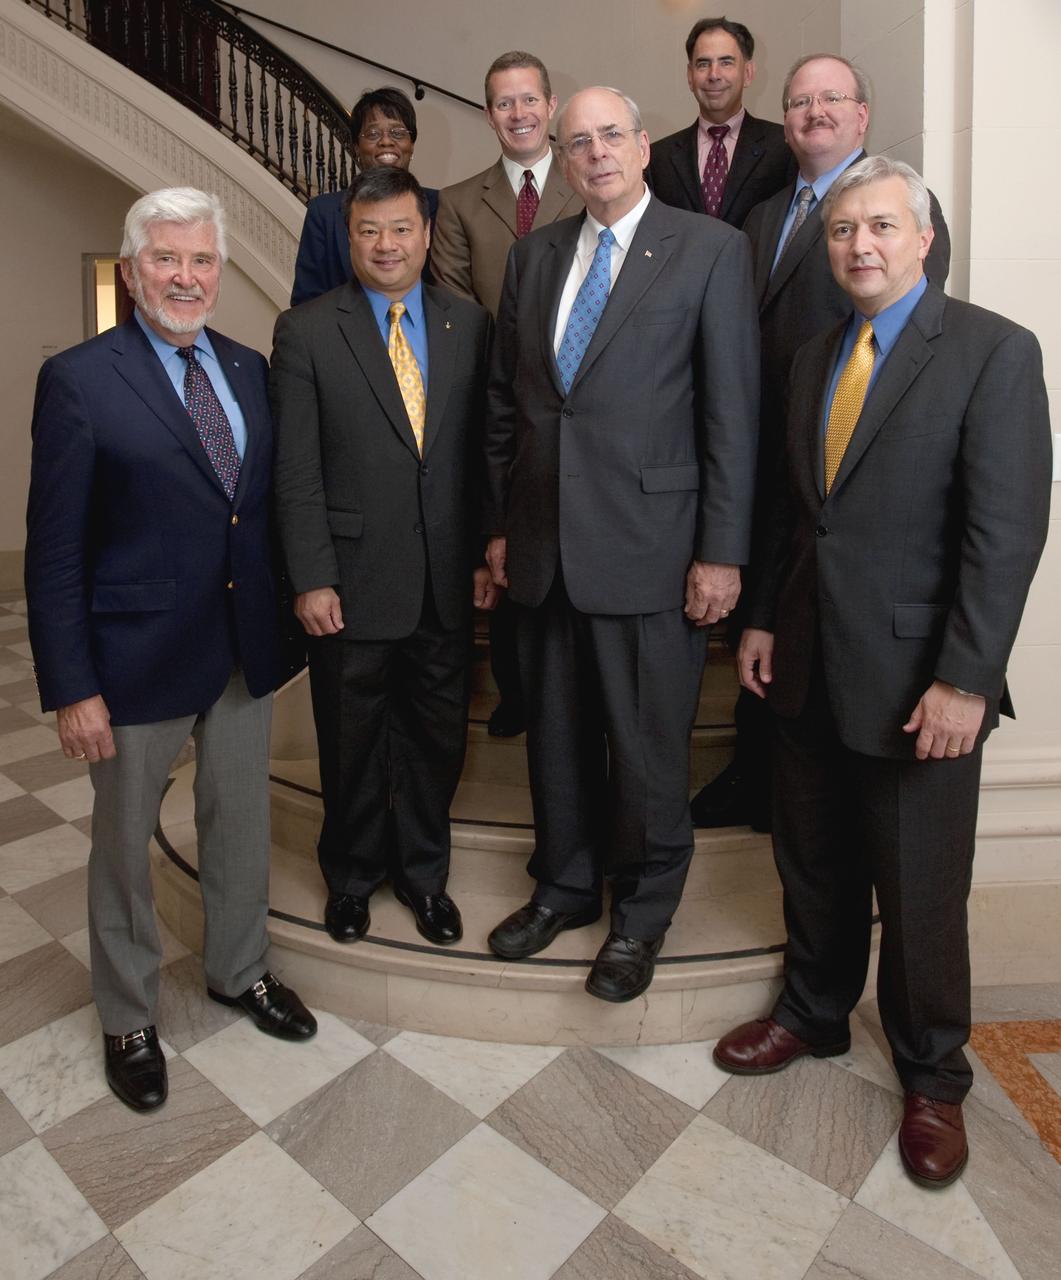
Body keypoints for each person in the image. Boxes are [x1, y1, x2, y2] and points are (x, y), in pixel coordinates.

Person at [713, 156, 1051, 1189]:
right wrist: (764, 618)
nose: (857, 245)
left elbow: (1004, 534)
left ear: (922, 238)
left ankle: (930, 1074)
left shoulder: (991, 351)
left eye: (879, 227)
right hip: (807, 660)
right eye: (841, 231)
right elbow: (791, 509)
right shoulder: (815, 353)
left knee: (916, 892)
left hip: (920, 682)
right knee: (811, 860)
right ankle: (812, 1013)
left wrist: (964, 677)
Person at [25, 187, 317, 1114]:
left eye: (200, 262)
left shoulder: (246, 366)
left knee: (238, 822)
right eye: (165, 259)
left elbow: (256, 508)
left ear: (220, 274)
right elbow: (56, 548)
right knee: (122, 845)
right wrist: (73, 685)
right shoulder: (78, 378)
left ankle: (239, 970)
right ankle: (127, 1015)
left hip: (239, 648)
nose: (184, 277)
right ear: (131, 269)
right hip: (132, 657)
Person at [484, 87, 759, 1002]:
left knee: (645, 751)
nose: (595, 152)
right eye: (577, 141)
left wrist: (721, 552)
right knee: (555, 739)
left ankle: (641, 916)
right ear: (560, 159)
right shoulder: (533, 257)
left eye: (611, 135)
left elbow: (730, 415)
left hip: (653, 547)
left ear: (645, 147)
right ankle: (563, 886)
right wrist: (498, 528)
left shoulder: (710, 250)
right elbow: (509, 405)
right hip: (543, 548)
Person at [691, 52, 951, 832]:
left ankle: (793, 783)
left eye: (830, 99)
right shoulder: (765, 216)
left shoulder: (901, 204)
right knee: (764, 626)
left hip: (845, 454)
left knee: (816, 628)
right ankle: (757, 771)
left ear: (861, 114)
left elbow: (915, 348)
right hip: (765, 453)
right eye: (799, 102)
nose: (813, 113)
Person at [271, 166, 496, 949]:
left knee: (438, 737)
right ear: (347, 237)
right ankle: (352, 876)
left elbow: (476, 456)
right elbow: (294, 470)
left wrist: (478, 553)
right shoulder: (305, 329)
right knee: (351, 738)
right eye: (368, 231)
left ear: (426, 235)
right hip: (350, 582)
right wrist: (311, 576)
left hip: (443, 579)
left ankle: (424, 875)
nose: (386, 245)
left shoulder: (467, 325)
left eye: (401, 229)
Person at [431, 51, 584, 738]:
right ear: (487, 114)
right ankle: (519, 694)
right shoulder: (459, 203)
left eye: (529, 99)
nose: (518, 113)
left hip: (582, 406)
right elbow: (461, 310)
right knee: (507, 552)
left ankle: (575, 692)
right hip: (500, 409)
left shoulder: (589, 184)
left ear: (550, 106)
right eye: (502, 102)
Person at [291, 86, 439, 306]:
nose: (386, 141)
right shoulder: (324, 212)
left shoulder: (440, 206)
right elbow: (306, 304)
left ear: (412, 144)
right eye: (373, 133)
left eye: (398, 133)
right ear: (356, 146)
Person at [648, 16, 795, 228]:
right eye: (703, 64)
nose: (714, 75)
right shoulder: (658, 159)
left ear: (748, 73)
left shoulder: (784, 147)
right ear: (690, 76)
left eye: (726, 62)